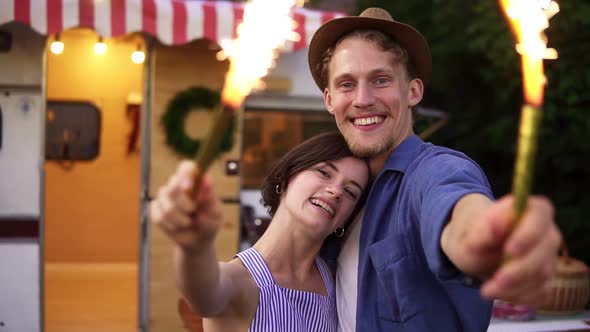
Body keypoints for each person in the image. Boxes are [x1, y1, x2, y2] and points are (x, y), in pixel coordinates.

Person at [307, 7, 562, 331]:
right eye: (347, 84)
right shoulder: (344, 192)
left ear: (413, 91)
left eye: (380, 80)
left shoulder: (436, 170)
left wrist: (486, 237)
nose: (362, 99)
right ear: (329, 100)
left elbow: (456, 206)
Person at [150, 132, 370, 332]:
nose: (336, 191)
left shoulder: (336, 280)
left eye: (351, 192)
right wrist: (195, 247)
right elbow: (204, 295)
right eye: (324, 172)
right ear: (285, 179)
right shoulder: (243, 281)